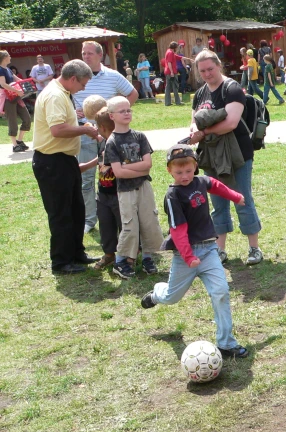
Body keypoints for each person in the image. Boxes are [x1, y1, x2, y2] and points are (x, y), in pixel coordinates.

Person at [141, 144, 249, 358]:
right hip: (184, 256)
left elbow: (215, 184)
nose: (185, 176)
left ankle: (226, 343)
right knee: (172, 297)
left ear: (195, 167)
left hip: (209, 250)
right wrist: (189, 256)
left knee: (221, 292)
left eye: (188, 171)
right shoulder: (173, 196)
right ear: (169, 171)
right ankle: (156, 295)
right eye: (179, 172)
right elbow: (178, 230)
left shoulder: (199, 182)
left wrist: (235, 196)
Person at [190, 49, 264, 266]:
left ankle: (254, 248)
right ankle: (219, 250)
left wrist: (202, 133)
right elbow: (194, 119)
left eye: (210, 69)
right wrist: (194, 130)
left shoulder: (232, 89)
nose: (206, 74)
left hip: (237, 154)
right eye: (202, 71)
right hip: (211, 155)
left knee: (242, 199)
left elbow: (231, 122)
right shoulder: (201, 93)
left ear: (219, 66)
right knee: (217, 203)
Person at [32, 59, 100, 275]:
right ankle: (61, 262)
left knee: (77, 209)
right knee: (61, 213)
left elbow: (64, 125)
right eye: (82, 84)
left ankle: (77, 253)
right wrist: (85, 131)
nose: (84, 88)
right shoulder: (54, 95)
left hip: (65, 160)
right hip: (52, 162)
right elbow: (58, 130)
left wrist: (81, 126)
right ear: (72, 79)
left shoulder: (64, 93)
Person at [74, 40, 138, 234]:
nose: (85, 56)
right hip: (85, 132)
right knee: (86, 179)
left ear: (100, 55)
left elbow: (132, 93)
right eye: (83, 53)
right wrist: (72, 112)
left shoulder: (112, 75)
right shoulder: (76, 77)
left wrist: (119, 114)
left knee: (113, 174)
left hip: (110, 135)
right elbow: (67, 98)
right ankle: (90, 219)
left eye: (89, 53)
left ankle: (120, 213)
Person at [104, 96, 163, 279]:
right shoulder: (112, 142)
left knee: (149, 221)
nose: (127, 113)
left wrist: (126, 167)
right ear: (111, 116)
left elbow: (148, 164)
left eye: (129, 109)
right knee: (130, 225)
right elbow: (118, 173)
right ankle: (121, 261)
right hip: (126, 191)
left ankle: (148, 257)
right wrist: (138, 169)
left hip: (144, 187)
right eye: (122, 111)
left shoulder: (140, 136)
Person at [90, 104, 121, 270]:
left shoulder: (117, 142)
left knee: (124, 224)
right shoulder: (102, 143)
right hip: (103, 192)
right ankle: (109, 254)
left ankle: (128, 254)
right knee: (106, 225)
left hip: (118, 192)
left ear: (102, 127)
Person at [0, 50, 32, 153]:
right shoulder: (0, 70)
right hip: (7, 98)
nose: (10, 57)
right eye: (9, 55)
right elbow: (3, 84)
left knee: (27, 118)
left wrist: (29, 82)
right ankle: (14, 146)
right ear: (4, 57)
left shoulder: (8, 69)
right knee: (12, 121)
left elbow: (18, 80)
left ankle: (19, 141)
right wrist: (17, 90)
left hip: (15, 97)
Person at [163, 41, 184, 106]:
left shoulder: (168, 51)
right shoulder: (170, 53)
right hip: (171, 72)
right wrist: (172, 72)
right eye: (176, 47)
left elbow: (177, 57)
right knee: (175, 87)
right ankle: (178, 102)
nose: (177, 49)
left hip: (167, 72)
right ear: (174, 47)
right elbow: (169, 63)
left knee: (168, 87)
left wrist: (189, 59)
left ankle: (167, 102)